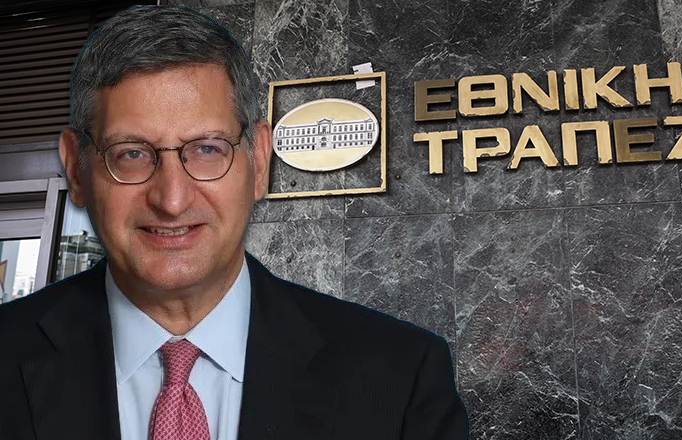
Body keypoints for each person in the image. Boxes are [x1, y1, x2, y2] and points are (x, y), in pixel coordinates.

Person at [0, 5, 468, 439]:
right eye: (132, 154)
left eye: (207, 149)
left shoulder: (401, 377)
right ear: (75, 168)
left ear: (258, 161)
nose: (172, 200)